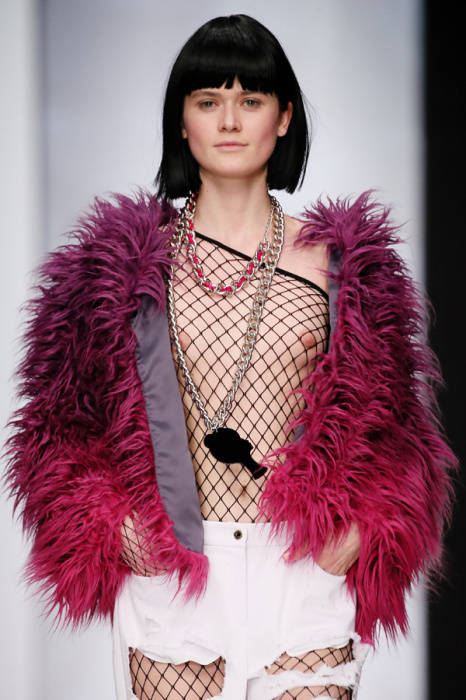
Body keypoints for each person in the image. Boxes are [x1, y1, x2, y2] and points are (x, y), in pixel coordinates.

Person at [5, 14, 456, 700]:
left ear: (284, 117)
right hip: (177, 569)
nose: (229, 121)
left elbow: (399, 435)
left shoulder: (347, 270)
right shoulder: (113, 272)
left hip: (302, 567)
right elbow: (57, 428)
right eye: (208, 100)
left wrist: (358, 536)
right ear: (181, 121)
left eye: (251, 99)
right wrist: (112, 527)